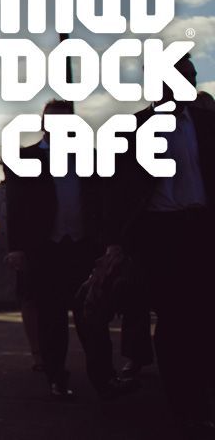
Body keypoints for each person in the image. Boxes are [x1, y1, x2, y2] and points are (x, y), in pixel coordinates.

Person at [102, 53, 214, 437]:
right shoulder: (133, 129)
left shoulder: (206, 123)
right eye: (185, 75)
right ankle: (187, 405)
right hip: (162, 234)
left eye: (193, 74)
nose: (193, 80)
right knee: (175, 319)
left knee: (204, 317)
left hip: (204, 228)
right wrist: (115, 242)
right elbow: (115, 192)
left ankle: (199, 394)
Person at [4, 99, 138, 401]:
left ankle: (105, 380)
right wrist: (18, 249)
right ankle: (56, 378)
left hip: (84, 249)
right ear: (43, 124)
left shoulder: (90, 159)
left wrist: (109, 243)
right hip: (46, 249)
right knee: (51, 318)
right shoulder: (23, 157)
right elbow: (16, 208)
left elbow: (105, 204)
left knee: (94, 318)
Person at [0, 178, 44, 371]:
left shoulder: (34, 185)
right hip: (11, 250)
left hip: (35, 248)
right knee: (28, 299)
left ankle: (43, 351)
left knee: (36, 299)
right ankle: (37, 353)